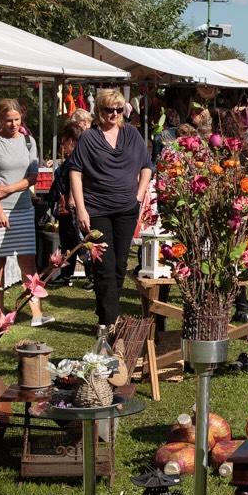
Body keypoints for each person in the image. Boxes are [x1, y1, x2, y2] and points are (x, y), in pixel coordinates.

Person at [69, 89, 151, 329]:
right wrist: (81, 209)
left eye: (118, 109)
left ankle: (106, 312)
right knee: (104, 264)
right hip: (97, 209)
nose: (113, 114)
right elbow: (75, 172)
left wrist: (139, 194)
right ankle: (109, 324)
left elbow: (146, 165)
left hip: (127, 208)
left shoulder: (132, 134)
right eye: (108, 109)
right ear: (99, 111)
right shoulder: (89, 137)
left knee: (119, 265)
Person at [0, 98, 53, 327]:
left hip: (23, 209)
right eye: (8, 120)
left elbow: (33, 177)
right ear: (0, 119)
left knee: (28, 263)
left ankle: (36, 314)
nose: (14, 124)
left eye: (17, 119)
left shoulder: (29, 141)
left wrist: (10, 189)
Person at [48, 113, 94, 289]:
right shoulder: (72, 159)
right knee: (69, 241)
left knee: (80, 242)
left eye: (64, 142)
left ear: (71, 142)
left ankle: (91, 276)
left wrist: (73, 199)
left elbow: (78, 180)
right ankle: (66, 274)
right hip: (66, 207)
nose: (63, 146)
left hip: (72, 206)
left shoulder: (77, 159)